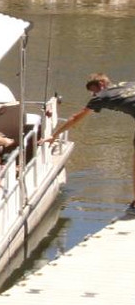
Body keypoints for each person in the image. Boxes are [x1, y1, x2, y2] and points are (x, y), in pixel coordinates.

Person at [43, 73, 135, 216]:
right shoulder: (125, 84)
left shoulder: (100, 97)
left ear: (102, 85)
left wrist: (54, 135)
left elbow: (76, 118)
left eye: (94, 91)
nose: (94, 94)